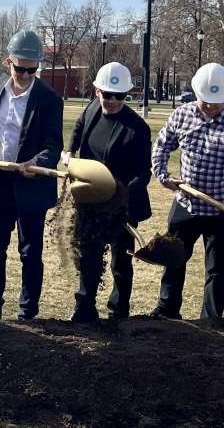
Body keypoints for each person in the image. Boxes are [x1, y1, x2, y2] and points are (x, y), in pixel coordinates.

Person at [150, 62, 224, 320]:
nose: (209, 107)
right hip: (186, 205)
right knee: (173, 260)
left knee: (219, 269)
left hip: (223, 211)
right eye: (204, 101)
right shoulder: (182, 115)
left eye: (215, 102)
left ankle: (211, 319)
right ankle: (167, 311)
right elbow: (162, 146)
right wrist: (163, 175)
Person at [0, 29, 63, 321]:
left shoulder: (50, 100)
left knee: (29, 253)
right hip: (1, 182)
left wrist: (35, 162)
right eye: (20, 69)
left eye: (32, 70)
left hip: (32, 186)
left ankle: (28, 313)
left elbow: (54, 146)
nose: (26, 75)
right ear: (8, 62)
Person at [65, 62, 152, 322]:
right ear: (96, 92)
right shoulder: (91, 110)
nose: (113, 101)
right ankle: (84, 307)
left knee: (120, 262)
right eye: (107, 95)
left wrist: (122, 195)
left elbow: (143, 173)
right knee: (88, 253)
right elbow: (78, 129)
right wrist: (69, 151)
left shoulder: (137, 129)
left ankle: (118, 312)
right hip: (91, 199)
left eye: (120, 96)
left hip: (122, 204)